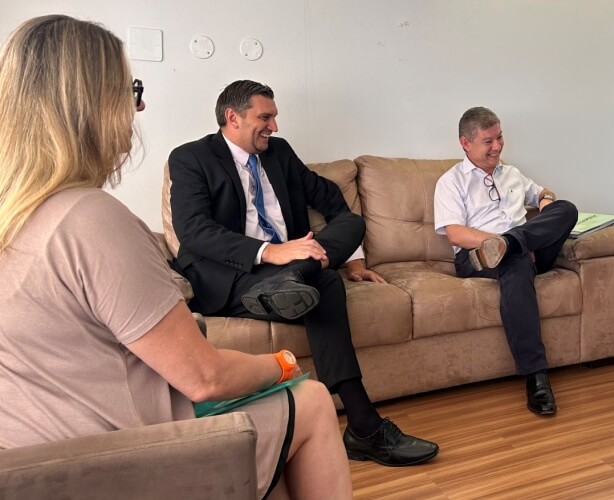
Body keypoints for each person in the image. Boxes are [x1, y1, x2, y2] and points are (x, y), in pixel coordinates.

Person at [0, 15, 353, 499]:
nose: (139, 106)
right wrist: (285, 363)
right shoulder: (94, 215)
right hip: (116, 456)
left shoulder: (17, 212)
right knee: (309, 399)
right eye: (132, 90)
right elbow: (205, 376)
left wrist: (334, 254)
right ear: (92, 101)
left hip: (33, 457)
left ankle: (297, 278)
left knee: (328, 265)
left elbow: (330, 199)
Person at [167, 80, 438, 466]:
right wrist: (271, 252)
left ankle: (296, 277)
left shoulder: (279, 153)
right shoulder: (191, 157)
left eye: (274, 117)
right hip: (233, 276)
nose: (274, 126)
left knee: (352, 224)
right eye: (265, 117)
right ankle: (364, 427)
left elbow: (332, 200)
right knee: (324, 283)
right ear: (233, 117)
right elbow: (193, 230)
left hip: (291, 270)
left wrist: (353, 261)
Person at [434, 107, 579, 415]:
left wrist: (545, 202)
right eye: (488, 141)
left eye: (499, 137)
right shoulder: (451, 181)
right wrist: (496, 243)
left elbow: (543, 193)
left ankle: (512, 243)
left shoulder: (511, 173)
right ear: (465, 143)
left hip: (525, 248)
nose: (497, 146)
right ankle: (536, 377)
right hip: (477, 258)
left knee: (567, 209)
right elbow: (455, 234)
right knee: (516, 264)